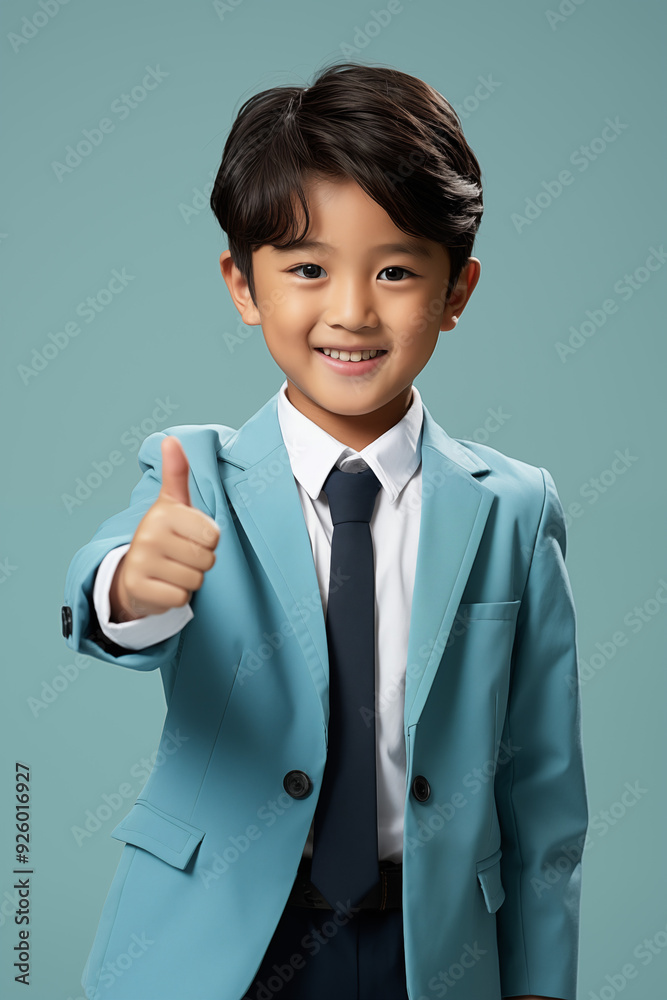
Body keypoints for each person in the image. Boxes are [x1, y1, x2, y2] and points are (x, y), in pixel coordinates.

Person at [62, 61, 588, 1000]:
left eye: (394, 270)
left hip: (430, 951)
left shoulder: (513, 508)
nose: (350, 310)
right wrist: (131, 589)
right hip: (219, 946)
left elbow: (544, 811)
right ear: (243, 283)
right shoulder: (195, 475)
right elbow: (107, 588)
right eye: (307, 268)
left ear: (456, 291)